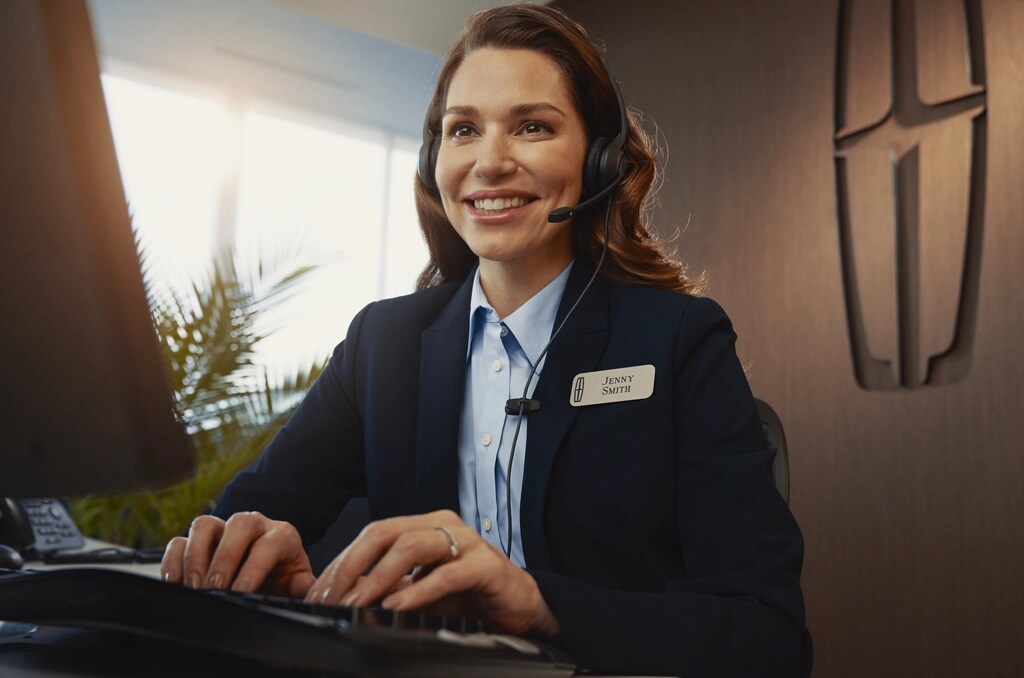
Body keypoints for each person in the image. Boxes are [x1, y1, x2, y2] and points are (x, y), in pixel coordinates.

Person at [161, 4, 812, 675]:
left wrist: (537, 602)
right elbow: (244, 525)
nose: (491, 162)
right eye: (464, 130)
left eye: (532, 126)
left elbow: (767, 634)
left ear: (599, 160)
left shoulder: (679, 342)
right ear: (433, 160)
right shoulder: (382, 345)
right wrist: (247, 554)